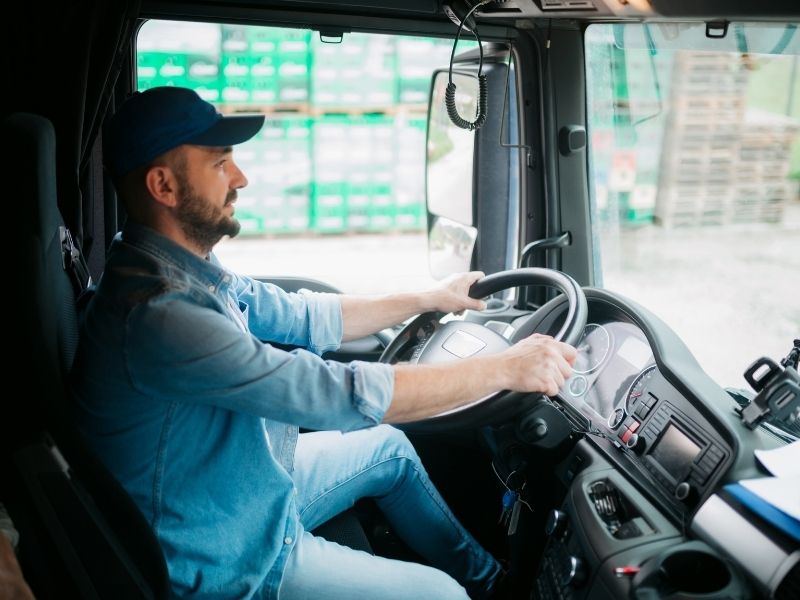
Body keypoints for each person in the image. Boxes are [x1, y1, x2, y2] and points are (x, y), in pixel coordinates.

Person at [70, 86, 576, 600]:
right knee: (444, 596)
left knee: (389, 449)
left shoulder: (177, 268)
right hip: (220, 550)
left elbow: (301, 313)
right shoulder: (161, 314)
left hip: (239, 486)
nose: (240, 178)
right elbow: (336, 395)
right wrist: (504, 368)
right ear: (163, 185)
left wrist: (431, 297)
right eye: (220, 164)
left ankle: (495, 586)